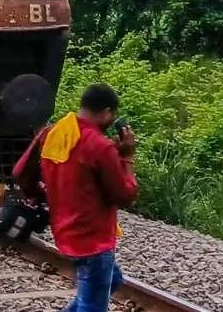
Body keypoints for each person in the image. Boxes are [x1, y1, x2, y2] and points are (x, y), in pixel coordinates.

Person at [14, 83, 138, 312]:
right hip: (94, 241)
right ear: (107, 113)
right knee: (92, 304)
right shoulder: (100, 146)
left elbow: (20, 173)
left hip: (65, 231)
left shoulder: (52, 133)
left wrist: (42, 194)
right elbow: (125, 195)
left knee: (113, 280)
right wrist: (128, 158)